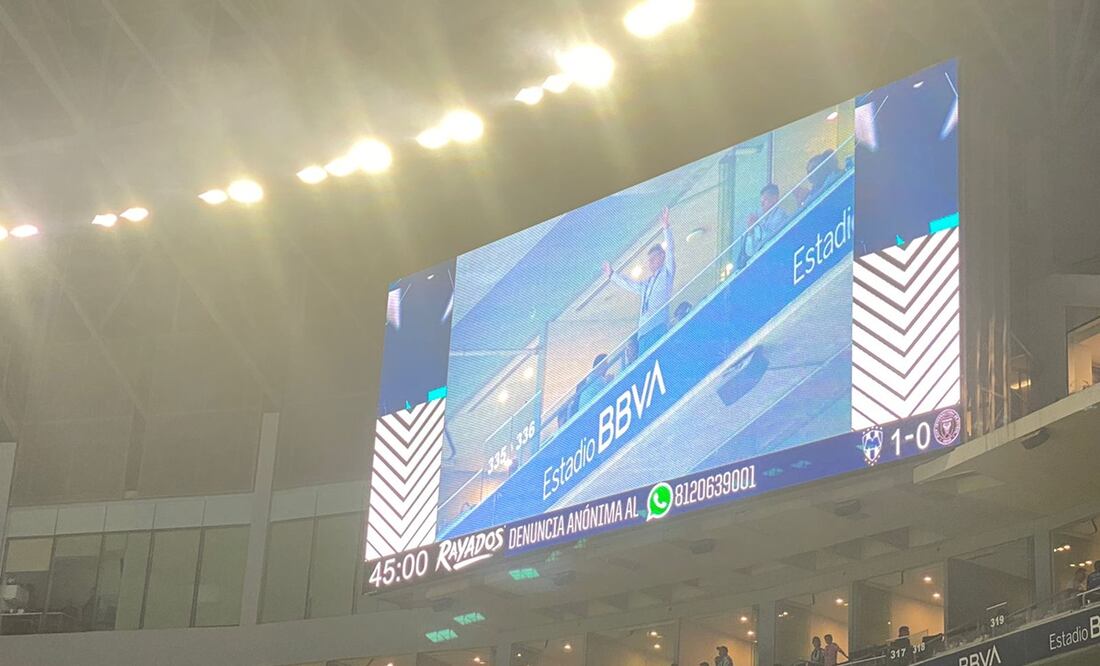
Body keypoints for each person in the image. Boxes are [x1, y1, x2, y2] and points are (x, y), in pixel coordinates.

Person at [604, 206, 677, 352]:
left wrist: (666, 228)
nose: (649, 263)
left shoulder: (667, 272)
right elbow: (630, 285)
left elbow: (670, 250)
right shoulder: (647, 284)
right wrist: (613, 275)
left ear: (661, 257)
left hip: (657, 326)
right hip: (643, 332)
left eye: (653, 258)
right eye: (648, 260)